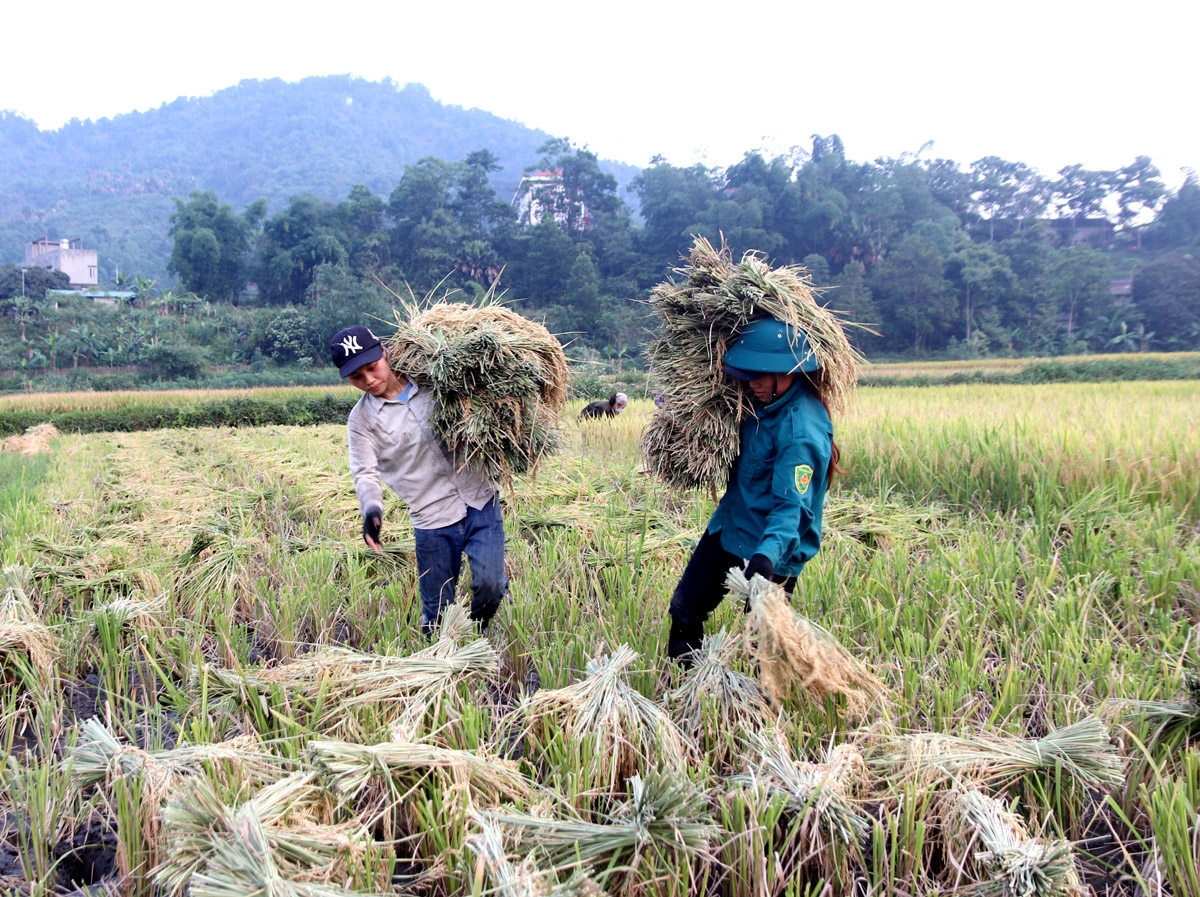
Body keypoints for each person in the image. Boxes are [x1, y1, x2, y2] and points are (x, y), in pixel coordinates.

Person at [666, 317, 841, 665]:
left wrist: (766, 557)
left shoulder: (800, 431)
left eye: (759, 375)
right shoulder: (755, 403)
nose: (752, 384)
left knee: (760, 642)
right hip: (731, 526)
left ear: (787, 372)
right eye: (747, 375)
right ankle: (683, 685)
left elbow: (793, 508)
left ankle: (755, 709)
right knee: (685, 608)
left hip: (774, 545)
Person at [332, 325, 507, 636]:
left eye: (372, 368)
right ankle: (439, 660)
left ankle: (477, 632)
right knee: (437, 612)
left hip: (479, 497)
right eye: (357, 377)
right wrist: (371, 509)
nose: (369, 380)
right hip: (432, 517)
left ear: (383, 352)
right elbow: (364, 470)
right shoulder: (361, 422)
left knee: (492, 586)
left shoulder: (433, 380)